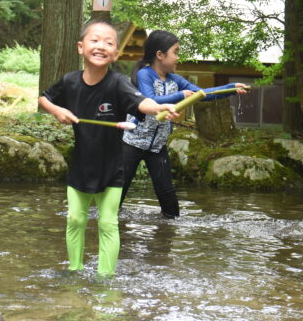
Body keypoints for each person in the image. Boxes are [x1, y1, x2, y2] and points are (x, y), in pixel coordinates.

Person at [38, 20, 179, 277]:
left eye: (109, 43)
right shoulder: (69, 81)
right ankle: (74, 271)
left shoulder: (118, 83)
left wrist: (158, 108)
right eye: (94, 40)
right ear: (81, 47)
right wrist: (58, 110)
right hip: (80, 166)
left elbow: (142, 102)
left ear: (116, 53)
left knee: (107, 223)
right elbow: (44, 98)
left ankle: (105, 280)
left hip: (113, 168)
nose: (101, 46)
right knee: (75, 220)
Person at [121, 30, 248, 218]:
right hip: (132, 143)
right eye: (176, 52)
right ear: (160, 55)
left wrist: (231, 88)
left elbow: (203, 94)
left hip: (157, 147)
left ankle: (165, 236)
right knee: (117, 192)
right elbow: (151, 99)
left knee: (169, 201)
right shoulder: (144, 75)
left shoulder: (175, 80)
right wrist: (181, 95)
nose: (178, 58)